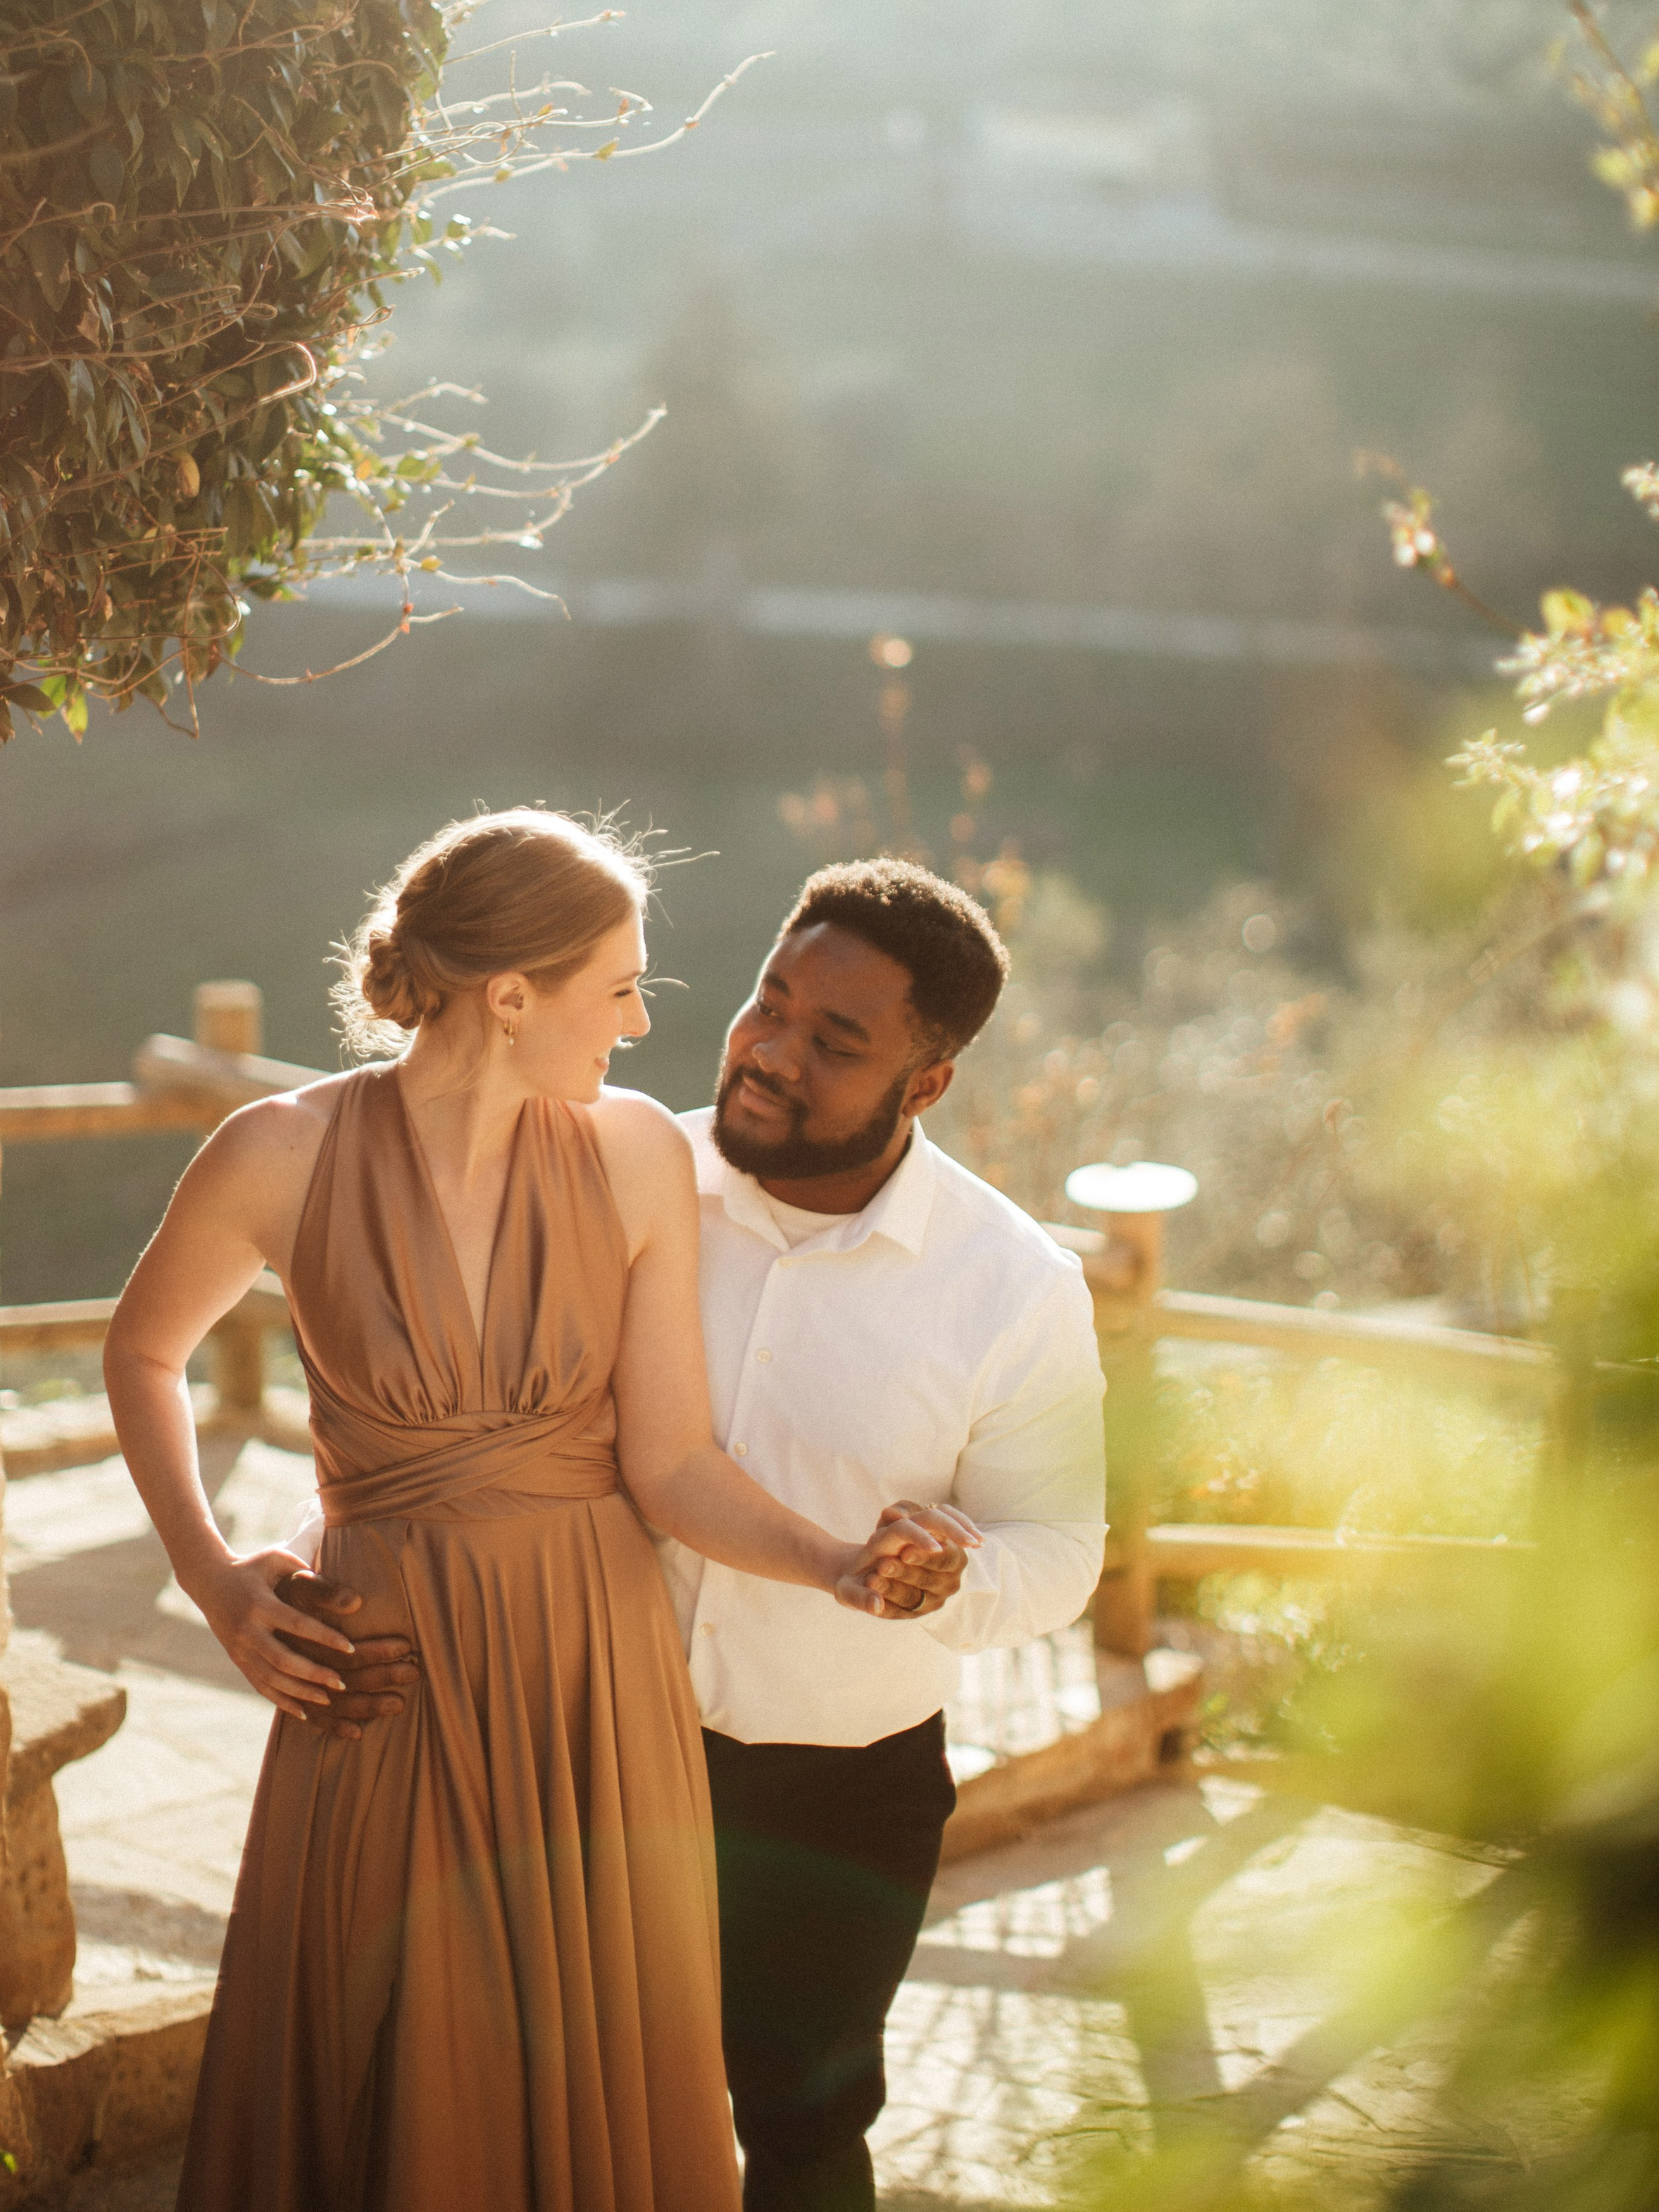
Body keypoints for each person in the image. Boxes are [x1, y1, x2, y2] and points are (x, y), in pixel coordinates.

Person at [104, 812, 968, 2212]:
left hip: (591, 1676)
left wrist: (832, 1566)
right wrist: (214, 1580)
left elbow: (671, 1463)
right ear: (511, 997)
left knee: (590, 2056)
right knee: (379, 2034)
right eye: (619, 986)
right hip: (378, 1666)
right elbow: (143, 1354)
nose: (638, 1021)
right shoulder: (277, 1152)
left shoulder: (633, 1157)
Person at [296, 857, 1108, 2212]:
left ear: (926, 1085)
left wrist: (946, 1583)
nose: (771, 1052)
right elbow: (448, 1398)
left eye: (835, 1042)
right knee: (553, 2113)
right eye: (768, 1002)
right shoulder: (615, 1166)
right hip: (578, 1747)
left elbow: (1062, 1549)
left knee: (803, 2131)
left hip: (837, 1789)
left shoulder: (1014, 1289)